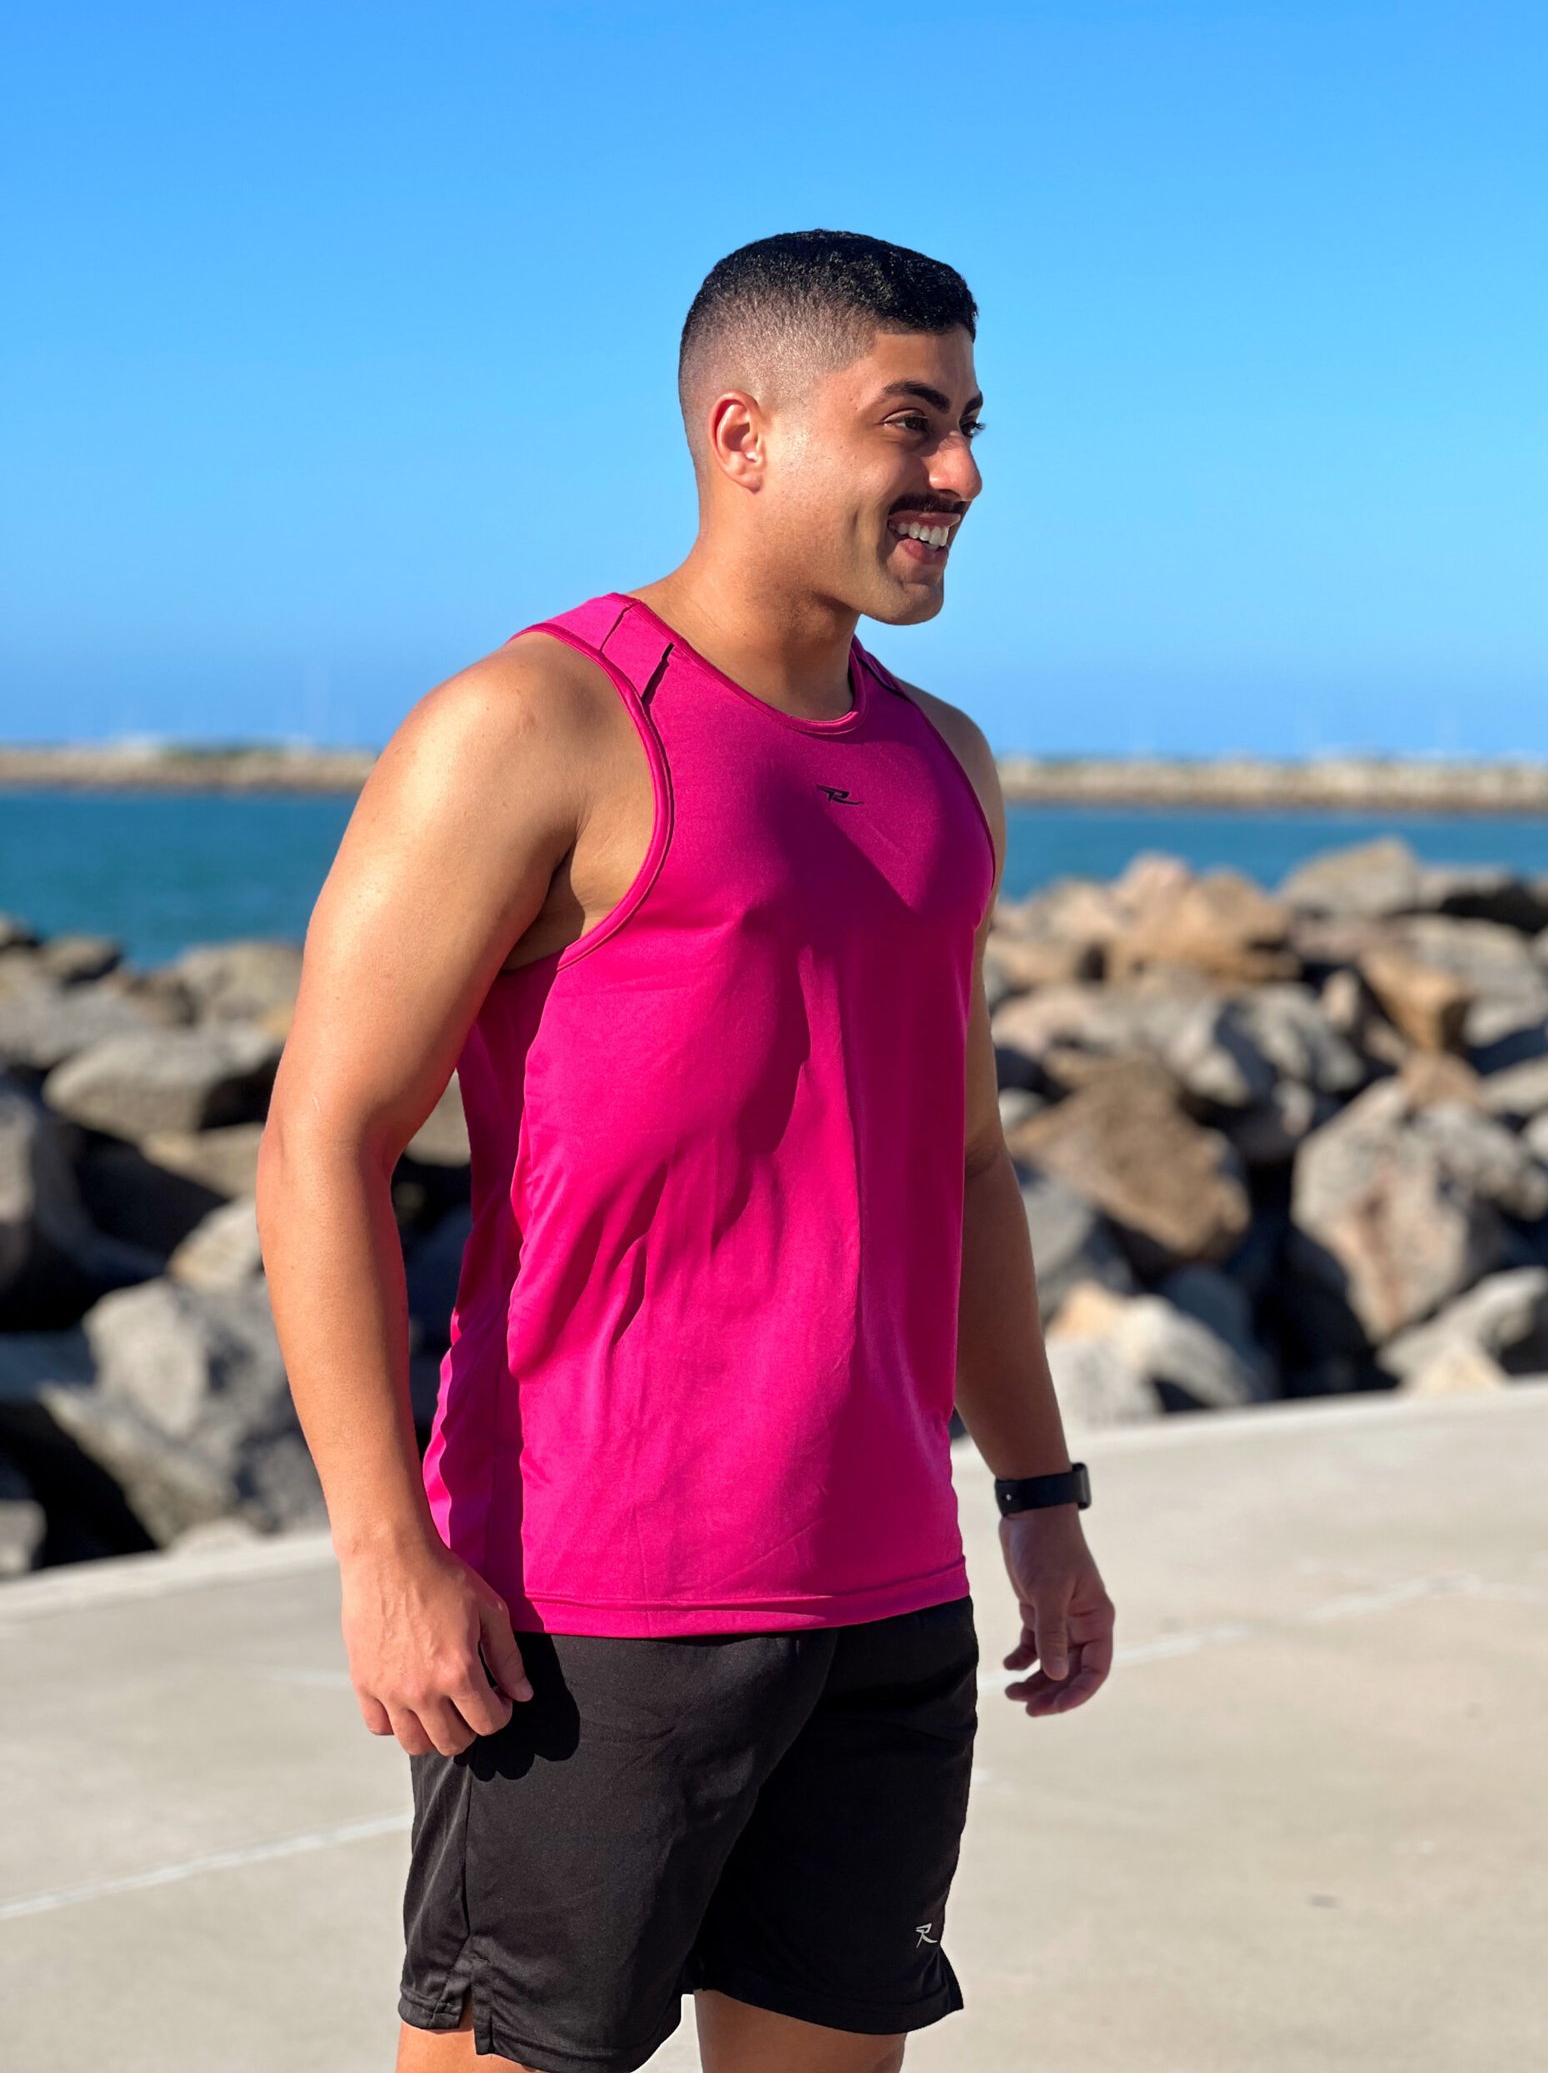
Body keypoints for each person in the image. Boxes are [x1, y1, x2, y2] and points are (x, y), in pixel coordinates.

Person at [258, 228, 1115, 2073]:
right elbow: (324, 1138)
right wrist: (385, 1552)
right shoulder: (537, 722)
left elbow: (966, 1165)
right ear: (744, 433)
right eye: (913, 422)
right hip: (589, 1606)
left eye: (972, 423)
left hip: (887, 1589)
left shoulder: (945, 764)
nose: (963, 474)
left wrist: (1041, 1499)